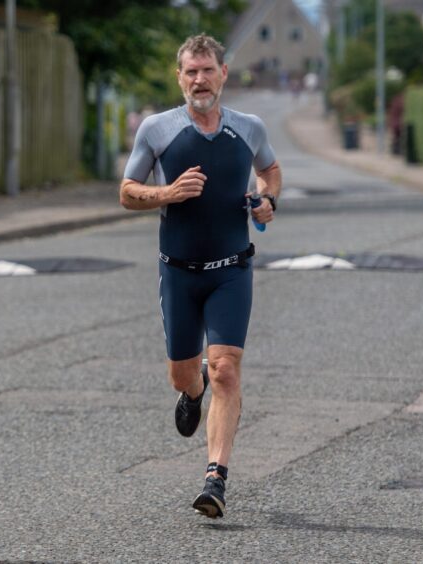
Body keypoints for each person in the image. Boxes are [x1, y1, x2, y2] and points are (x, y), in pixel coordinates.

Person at [119, 34, 282, 518]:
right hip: (179, 275)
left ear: (223, 73)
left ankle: (215, 478)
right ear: (179, 77)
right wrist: (168, 193)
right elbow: (127, 192)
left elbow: (269, 169)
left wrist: (268, 200)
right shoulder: (157, 129)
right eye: (190, 71)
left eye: (207, 69)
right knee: (182, 375)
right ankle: (195, 389)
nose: (199, 79)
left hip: (232, 269)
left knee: (228, 367)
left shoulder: (248, 128)